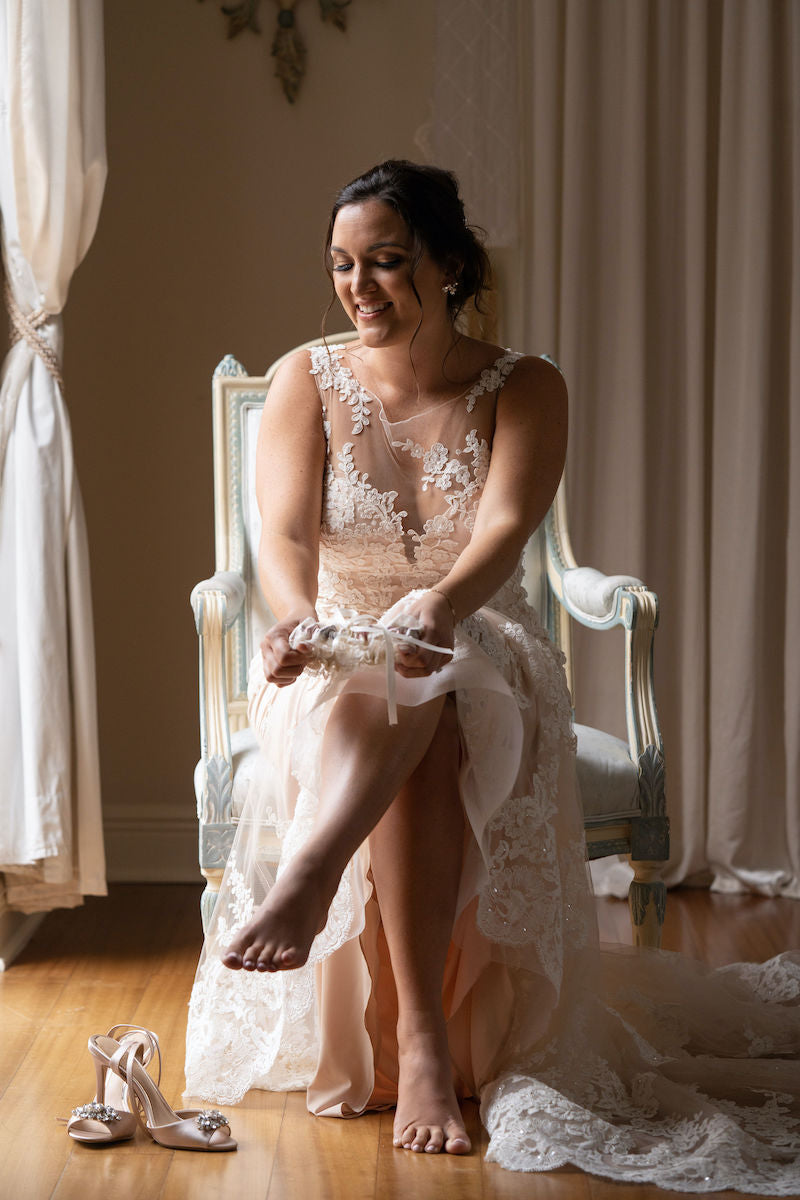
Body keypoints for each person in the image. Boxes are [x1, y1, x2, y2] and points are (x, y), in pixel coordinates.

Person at [186, 161, 800, 1189]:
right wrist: (294, 626)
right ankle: (420, 1035)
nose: (359, 286)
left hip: (479, 639)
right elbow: (282, 537)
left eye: (386, 261)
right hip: (339, 662)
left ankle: (317, 890)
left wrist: (439, 602)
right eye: (342, 265)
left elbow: (508, 527)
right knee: (401, 689)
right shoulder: (304, 378)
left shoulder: (523, 384)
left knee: (446, 673)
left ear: (450, 264)